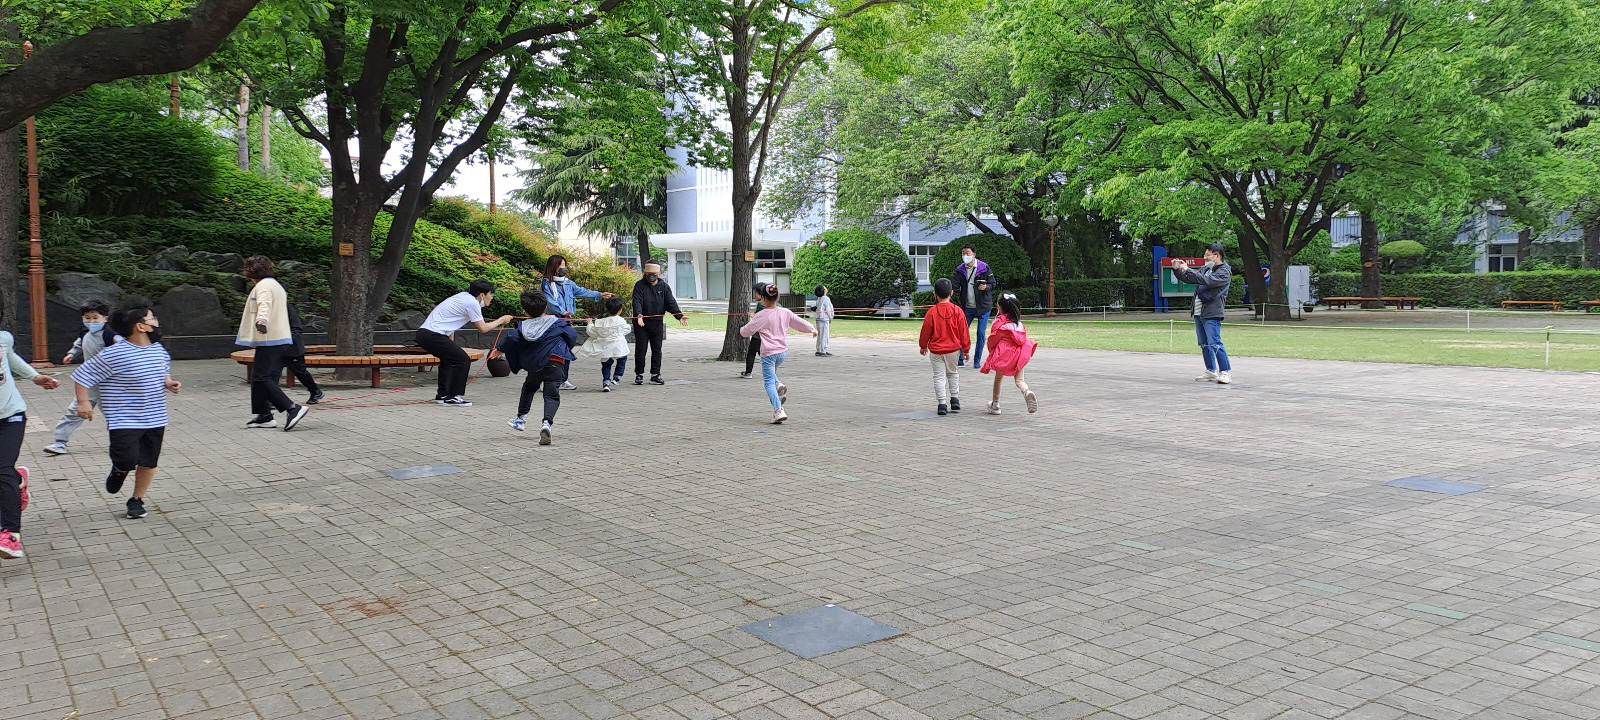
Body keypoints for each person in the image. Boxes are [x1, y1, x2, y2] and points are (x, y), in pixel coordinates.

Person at [70, 299, 181, 521]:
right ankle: (120, 469)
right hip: (124, 419)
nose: (156, 322)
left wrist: (169, 383)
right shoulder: (115, 354)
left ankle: (137, 499)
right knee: (126, 459)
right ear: (140, 326)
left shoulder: (159, 350)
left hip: (155, 417)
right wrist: (83, 403)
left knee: (149, 461)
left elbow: (163, 372)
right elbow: (82, 376)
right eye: (152, 319)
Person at [0, 309, 63, 559]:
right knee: (5, 474)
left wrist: (35, 377)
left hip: (10, 415)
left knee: (1, 469)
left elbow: (10, 357)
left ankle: (10, 535)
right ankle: (18, 481)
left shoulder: (3, 338)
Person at [492, 288, 576, 445]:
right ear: (545, 307)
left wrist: (499, 349)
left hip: (535, 364)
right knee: (551, 395)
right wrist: (565, 347)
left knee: (529, 388)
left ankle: (521, 419)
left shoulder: (523, 327)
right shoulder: (557, 323)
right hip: (556, 362)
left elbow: (511, 337)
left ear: (524, 311)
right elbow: (572, 336)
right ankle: (546, 424)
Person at [236, 256, 311, 430]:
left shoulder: (263, 286)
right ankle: (264, 415)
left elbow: (265, 304)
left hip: (269, 337)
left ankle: (292, 408)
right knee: (258, 377)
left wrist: (261, 320)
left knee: (261, 377)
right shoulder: (275, 285)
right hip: (277, 337)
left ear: (251, 271)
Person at [415, 280, 514, 406]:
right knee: (463, 360)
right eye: (490, 294)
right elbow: (483, 328)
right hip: (433, 335)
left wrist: (451, 344)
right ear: (482, 295)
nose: (492, 297)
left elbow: (450, 323)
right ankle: (453, 396)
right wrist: (501, 320)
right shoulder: (472, 303)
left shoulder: (463, 297)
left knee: (449, 360)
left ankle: (443, 395)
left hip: (426, 334)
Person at [44, 300, 118, 456]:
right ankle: (59, 442)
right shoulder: (85, 332)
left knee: (114, 414)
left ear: (105, 318)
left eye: (95, 318)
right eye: (87, 318)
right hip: (89, 381)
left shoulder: (110, 335)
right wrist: (72, 353)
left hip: (110, 382)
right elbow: (79, 343)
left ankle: (121, 443)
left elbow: (124, 348)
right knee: (75, 411)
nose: (91, 322)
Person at [739, 282, 815, 424]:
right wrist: (812, 329)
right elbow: (799, 322)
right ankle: (778, 384)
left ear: (763, 299)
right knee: (772, 374)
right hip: (782, 353)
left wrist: (741, 330)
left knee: (768, 382)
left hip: (768, 353)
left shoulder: (761, 315)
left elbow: (746, 331)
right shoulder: (785, 312)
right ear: (777, 297)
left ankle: (778, 410)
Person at [541, 254, 614, 391]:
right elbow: (550, 302)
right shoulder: (546, 283)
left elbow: (581, 291)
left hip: (566, 322)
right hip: (552, 321)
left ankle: (563, 379)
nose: (564, 268)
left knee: (566, 349)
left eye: (564, 265)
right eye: (561, 265)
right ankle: (547, 380)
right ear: (553, 267)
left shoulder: (568, 283)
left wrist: (599, 294)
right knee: (552, 351)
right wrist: (563, 312)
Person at [1172, 244, 1233, 384]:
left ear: (1217, 256)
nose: (1205, 258)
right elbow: (1190, 278)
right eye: (1205, 254)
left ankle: (1225, 372)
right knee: (1204, 344)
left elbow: (1207, 281)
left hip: (1212, 312)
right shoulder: (1206, 269)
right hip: (1199, 311)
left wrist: (1188, 269)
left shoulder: (1224, 271)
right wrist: (1178, 270)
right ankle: (1211, 371)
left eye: (1208, 255)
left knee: (1215, 342)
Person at [980, 293, 1039, 415]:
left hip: (1004, 355)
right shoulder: (1019, 324)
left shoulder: (999, 323)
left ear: (999, 307)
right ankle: (1027, 392)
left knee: (998, 379)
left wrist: (992, 352)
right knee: (1020, 380)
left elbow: (993, 340)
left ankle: (995, 405)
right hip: (1019, 354)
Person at [919, 278, 970, 416]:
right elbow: (964, 332)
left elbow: (925, 331)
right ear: (952, 293)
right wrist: (966, 349)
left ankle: (942, 404)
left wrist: (923, 346)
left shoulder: (932, 312)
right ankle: (955, 399)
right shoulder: (958, 311)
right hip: (953, 350)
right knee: (953, 373)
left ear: (935, 294)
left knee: (939, 376)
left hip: (936, 350)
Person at [630, 262, 688, 385]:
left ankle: (655, 375)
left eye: (654, 274)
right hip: (641, 323)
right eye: (649, 274)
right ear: (645, 273)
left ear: (658, 273)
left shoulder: (664, 287)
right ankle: (639, 374)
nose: (651, 276)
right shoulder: (639, 285)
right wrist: (639, 314)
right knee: (641, 350)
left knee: (657, 350)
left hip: (657, 323)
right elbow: (637, 301)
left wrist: (679, 316)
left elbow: (670, 303)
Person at [950, 244, 996, 367]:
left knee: (981, 333)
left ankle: (977, 360)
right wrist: (950, 291)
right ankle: (960, 358)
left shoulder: (984, 268)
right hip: (967, 307)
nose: (965, 256)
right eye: (963, 253)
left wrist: (986, 286)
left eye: (968, 253)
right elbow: (954, 284)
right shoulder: (960, 270)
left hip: (983, 307)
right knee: (961, 332)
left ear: (974, 254)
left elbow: (993, 284)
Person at [576, 297, 630, 392]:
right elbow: (627, 329)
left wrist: (590, 323)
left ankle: (606, 382)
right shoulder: (621, 321)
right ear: (620, 310)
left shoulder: (600, 322)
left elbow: (592, 332)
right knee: (622, 358)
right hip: (618, 347)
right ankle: (617, 377)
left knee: (606, 365)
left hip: (605, 347)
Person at [283, 302, 325, 405]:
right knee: (272, 372)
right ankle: (271, 400)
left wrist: (289, 341)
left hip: (293, 347)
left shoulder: (289, 308)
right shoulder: (274, 308)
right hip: (278, 346)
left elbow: (297, 329)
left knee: (300, 372)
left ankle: (315, 391)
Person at [813, 285, 835, 357]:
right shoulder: (826, 299)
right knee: (825, 335)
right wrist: (830, 317)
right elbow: (828, 309)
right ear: (824, 291)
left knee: (820, 335)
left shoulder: (818, 299)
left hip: (818, 319)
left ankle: (819, 349)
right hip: (824, 319)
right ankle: (823, 350)